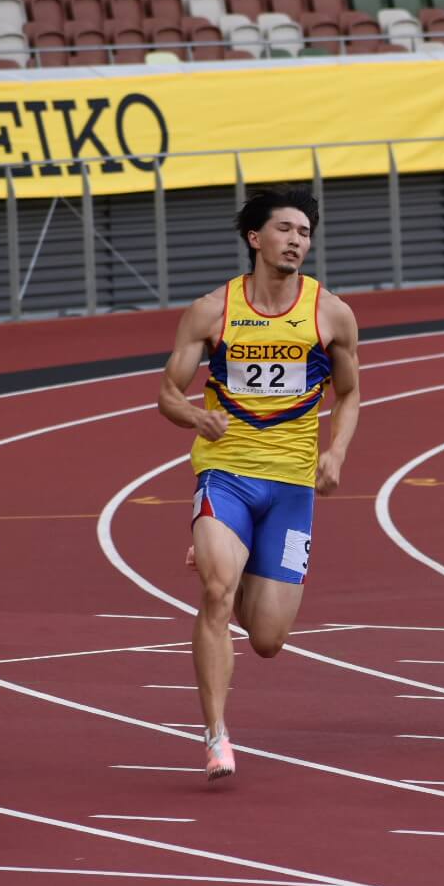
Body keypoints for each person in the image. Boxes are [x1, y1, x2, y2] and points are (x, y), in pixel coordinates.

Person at [157, 186, 361, 781]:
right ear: (256, 238)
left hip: (292, 485)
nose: (297, 241)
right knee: (216, 595)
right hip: (226, 473)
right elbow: (168, 392)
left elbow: (349, 393)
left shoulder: (331, 313)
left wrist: (337, 451)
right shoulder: (212, 310)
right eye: (286, 230)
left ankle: (232, 550)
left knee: (269, 638)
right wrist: (196, 415)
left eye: (305, 233)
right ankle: (216, 733)